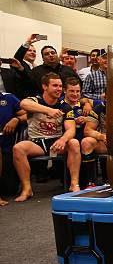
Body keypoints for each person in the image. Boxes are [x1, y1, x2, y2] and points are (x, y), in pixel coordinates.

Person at [13, 73, 81, 201]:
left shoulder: (64, 105)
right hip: (36, 143)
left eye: (60, 86)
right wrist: (48, 110)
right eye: (55, 85)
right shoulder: (35, 100)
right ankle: (27, 189)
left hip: (56, 142)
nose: (59, 89)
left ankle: (74, 184)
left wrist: (63, 139)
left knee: (74, 143)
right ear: (45, 86)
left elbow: (71, 129)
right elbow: (23, 104)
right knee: (18, 148)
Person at [0, 91, 26, 205]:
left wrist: (17, 119)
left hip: (7, 149)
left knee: (11, 189)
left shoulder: (8, 98)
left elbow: (28, 113)